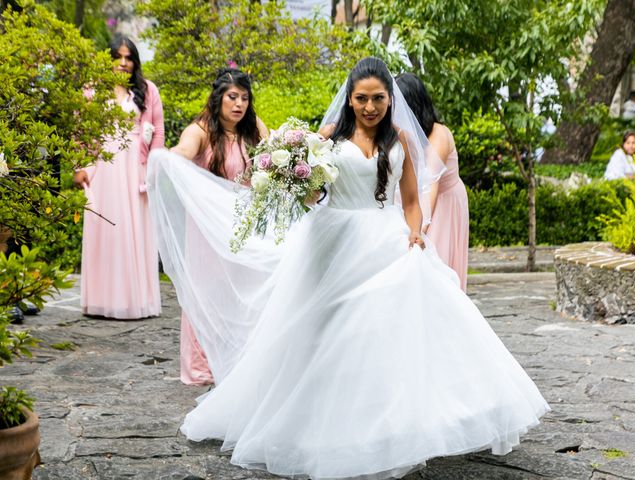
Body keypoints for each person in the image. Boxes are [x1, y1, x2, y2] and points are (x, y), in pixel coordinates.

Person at [147, 57, 549, 480]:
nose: (370, 107)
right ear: (350, 99)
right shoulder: (326, 140)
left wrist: (415, 233)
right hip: (333, 241)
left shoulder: (400, 140)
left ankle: (386, 423)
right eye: (362, 98)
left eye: (378, 98)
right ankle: (317, 421)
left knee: (383, 332)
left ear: (390, 100)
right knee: (322, 331)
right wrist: (294, 178)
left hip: (385, 239)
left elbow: (411, 201)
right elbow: (313, 196)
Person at [169, 68, 268, 386]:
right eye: (232, 97)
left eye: (244, 97)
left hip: (243, 224)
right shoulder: (200, 131)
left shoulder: (253, 131)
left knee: (241, 290)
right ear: (219, 98)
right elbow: (184, 151)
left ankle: (239, 356)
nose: (238, 104)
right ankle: (201, 366)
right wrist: (169, 156)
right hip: (207, 227)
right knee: (206, 290)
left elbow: (276, 157)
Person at [73, 35, 164, 319]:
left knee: (134, 231)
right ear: (108, 59)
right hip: (103, 167)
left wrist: (154, 168)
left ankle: (136, 301)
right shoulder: (91, 90)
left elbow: (158, 131)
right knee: (106, 231)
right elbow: (80, 132)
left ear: (135, 62)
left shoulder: (147, 91)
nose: (123, 63)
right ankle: (101, 299)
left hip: (134, 168)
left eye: (128, 58)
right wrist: (82, 166)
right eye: (118, 57)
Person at [396, 72, 469, 291]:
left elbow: (429, 185)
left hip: (443, 205)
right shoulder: (403, 132)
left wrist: (419, 230)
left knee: (436, 268)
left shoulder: (439, 134)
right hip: (414, 200)